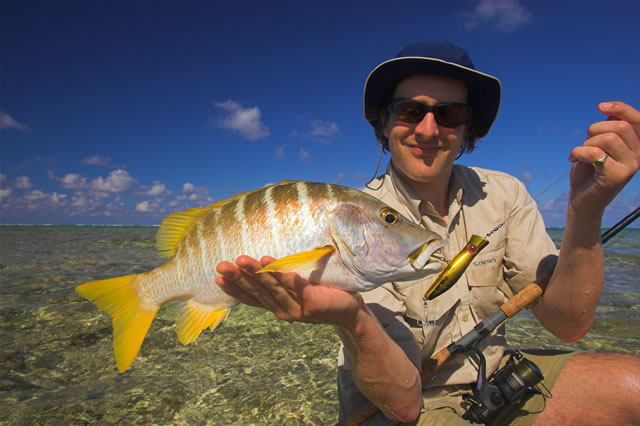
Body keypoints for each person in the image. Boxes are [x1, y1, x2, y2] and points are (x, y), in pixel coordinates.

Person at [215, 41, 640, 425]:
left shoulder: (505, 194)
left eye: (450, 114)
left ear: (467, 129)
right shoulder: (355, 221)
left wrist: (586, 212)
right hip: (402, 405)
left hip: (496, 376)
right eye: (410, 111)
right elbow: (402, 404)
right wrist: (352, 317)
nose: (428, 130)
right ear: (385, 123)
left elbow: (569, 324)